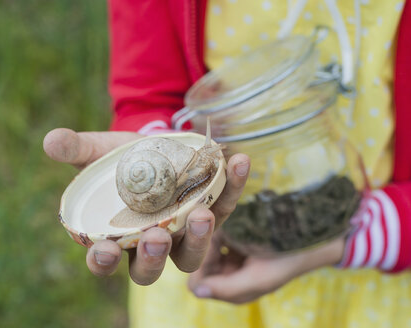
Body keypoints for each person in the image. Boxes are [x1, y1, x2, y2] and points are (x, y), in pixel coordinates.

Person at [44, 0, 411, 327]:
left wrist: (364, 234)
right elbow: (147, 89)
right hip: (213, 248)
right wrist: (155, 144)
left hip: (376, 274)